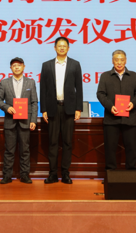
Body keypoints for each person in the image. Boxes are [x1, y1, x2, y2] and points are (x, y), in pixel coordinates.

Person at [40, 36, 83, 184]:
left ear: (68, 48)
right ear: (55, 48)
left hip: (69, 108)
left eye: (64, 46)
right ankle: (53, 174)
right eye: (59, 46)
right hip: (52, 108)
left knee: (67, 142)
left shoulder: (75, 64)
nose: (62, 48)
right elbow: (43, 88)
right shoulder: (46, 65)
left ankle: (65, 173)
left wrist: (78, 108)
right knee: (52, 142)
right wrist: (43, 109)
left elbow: (79, 87)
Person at [96, 50, 136, 175]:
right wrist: (110, 106)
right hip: (111, 118)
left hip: (129, 118)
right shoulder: (105, 76)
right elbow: (100, 94)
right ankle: (110, 175)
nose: (119, 62)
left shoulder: (134, 76)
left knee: (131, 148)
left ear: (126, 61)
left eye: (122, 59)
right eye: (116, 60)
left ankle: (131, 174)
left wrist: (133, 103)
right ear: (112, 61)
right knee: (110, 148)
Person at [0, 57, 38, 184]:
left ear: (24, 67)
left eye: (19, 65)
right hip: (10, 121)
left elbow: (34, 102)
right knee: (9, 150)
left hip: (25, 121)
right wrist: (6, 107)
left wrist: (33, 120)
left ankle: (25, 175)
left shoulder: (30, 82)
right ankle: (7, 175)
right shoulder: (4, 82)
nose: (17, 67)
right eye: (14, 65)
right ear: (11, 68)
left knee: (25, 150)